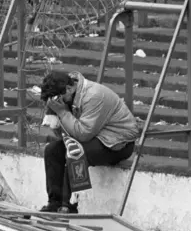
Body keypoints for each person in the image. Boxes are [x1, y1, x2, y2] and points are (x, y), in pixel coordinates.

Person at [39, 70, 140, 213]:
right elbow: (64, 135)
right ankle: (54, 203)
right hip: (94, 137)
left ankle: (68, 206)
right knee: (52, 150)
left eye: (58, 98)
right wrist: (54, 116)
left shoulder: (94, 96)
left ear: (69, 88)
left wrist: (62, 112)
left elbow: (83, 134)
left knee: (76, 152)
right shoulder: (66, 98)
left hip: (117, 144)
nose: (57, 102)